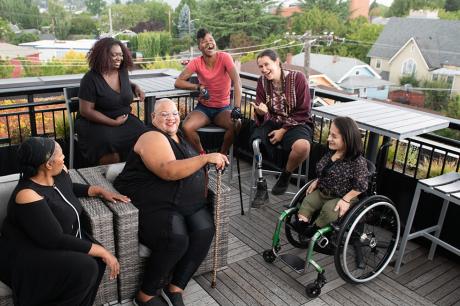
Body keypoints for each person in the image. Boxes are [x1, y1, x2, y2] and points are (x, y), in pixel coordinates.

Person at [114, 99, 228, 306]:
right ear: (153, 118)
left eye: (174, 113)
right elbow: (168, 170)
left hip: (184, 202)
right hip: (153, 202)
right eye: (164, 114)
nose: (171, 118)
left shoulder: (180, 136)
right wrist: (206, 158)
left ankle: (175, 286)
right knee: (176, 238)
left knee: (204, 230)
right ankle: (145, 294)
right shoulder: (151, 136)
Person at [0, 137, 130, 305]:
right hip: (30, 252)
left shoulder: (58, 173)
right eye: (61, 155)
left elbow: (68, 188)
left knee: (95, 263)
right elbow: (54, 239)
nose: (64, 158)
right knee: (87, 266)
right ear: (48, 164)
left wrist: (98, 190)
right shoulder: (27, 194)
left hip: (59, 241)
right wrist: (102, 250)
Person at [250, 49, 313, 208]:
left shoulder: (298, 78)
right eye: (260, 66)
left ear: (277, 62)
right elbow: (260, 109)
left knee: (303, 146)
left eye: (266, 64)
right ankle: (261, 185)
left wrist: (283, 130)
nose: (263, 69)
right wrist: (260, 112)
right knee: (255, 142)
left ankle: (286, 174)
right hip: (272, 121)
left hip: (297, 122)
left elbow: (304, 110)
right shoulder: (262, 82)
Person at [76, 37, 147, 165]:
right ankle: (109, 178)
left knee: (144, 134)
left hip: (122, 119)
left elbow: (126, 83)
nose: (118, 58)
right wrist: (113, 123)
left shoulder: (122, 72)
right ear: (102, 55)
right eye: (113, 55)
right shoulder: (90, 79)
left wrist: (136, 87)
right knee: (107, 142)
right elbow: (86, 111)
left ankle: (134, 172)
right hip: (95, 122)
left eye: (120, 55)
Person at [296, 116, 369, 236]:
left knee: (329, 211)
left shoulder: (357, 161)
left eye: (334, 136)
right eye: (330, 134)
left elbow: (361, 186)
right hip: (323, 191)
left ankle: (314, 230)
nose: (329, 138)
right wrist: (318, 180)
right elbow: (323, 169)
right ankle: (303, 225)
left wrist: (346, 199)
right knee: (307, 201)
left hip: (342, 196)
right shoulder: (331, 152)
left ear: (347, 139)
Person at [174, 28, 242, 155]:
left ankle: (222, 155)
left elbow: (237, 81)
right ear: (199, 47)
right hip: (203, 108)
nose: (209, 43)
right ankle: (202, 156)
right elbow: (178, 82)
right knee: (186, 127)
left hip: (223, 109)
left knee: (237, 123)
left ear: (214, 43)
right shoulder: (196, 62)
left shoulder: (225, 57)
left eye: (211, 40)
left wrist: (237, 107)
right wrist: (198, 87)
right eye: (204, 41)